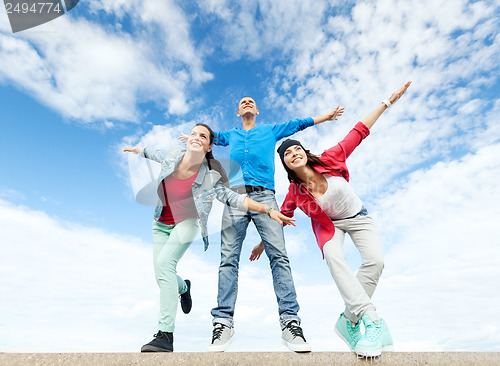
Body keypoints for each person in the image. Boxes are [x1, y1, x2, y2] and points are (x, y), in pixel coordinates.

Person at [250, 81, 411, 357]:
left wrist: (387, 102)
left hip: (358, 217)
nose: (293, 154)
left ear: (304, 151)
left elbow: (359, 132)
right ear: (286, 164)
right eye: (287, 154)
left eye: (296, 149)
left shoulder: (330, 158)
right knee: (335, 258)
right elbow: (283, 216)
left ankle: (348, 319)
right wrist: (262, 243)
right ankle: (370, 319)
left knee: (376, 262)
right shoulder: (295, 193)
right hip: (330, 228)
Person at [182, 98, 344, 352]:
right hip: (235, 198)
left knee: (279, 257)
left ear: (256, 111)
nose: (247, 103)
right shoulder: (230, 135)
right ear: (238, 112)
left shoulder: (270, 130)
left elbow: (298, 124)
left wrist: (326, 117)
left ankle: (291, 323)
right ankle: (223, 323)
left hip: (265, 196)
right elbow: (208, 137)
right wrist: (195, 140)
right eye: (242, 102)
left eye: (251, 102)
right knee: (228, 259)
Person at [124, 123, 295, 353]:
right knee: (162, 275)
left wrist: (266, 209)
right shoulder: (173, 154)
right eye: (193, 134)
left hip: (186, 223)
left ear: (209, 146)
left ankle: (165, 335)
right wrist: (138, 149)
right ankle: (184, 288)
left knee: (165, 267)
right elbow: (153, 153)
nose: (196, 137)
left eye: (203, 136)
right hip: (160, 225)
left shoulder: (211, 173)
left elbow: (232, 198)